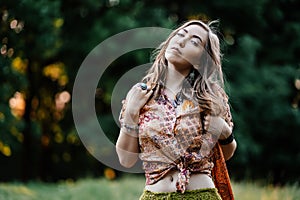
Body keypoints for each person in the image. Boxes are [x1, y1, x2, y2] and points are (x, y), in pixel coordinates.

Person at [116, 19, 237, 200]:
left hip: (202, 195)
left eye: (194, 42)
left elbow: (226, 154)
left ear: (202, 59)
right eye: (179, 35)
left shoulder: (211, 96)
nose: (181, 41)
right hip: (154, 196)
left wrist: (225, 131)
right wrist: (132, 112)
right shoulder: (140, 94)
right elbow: (126, 160)